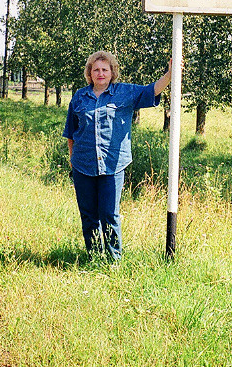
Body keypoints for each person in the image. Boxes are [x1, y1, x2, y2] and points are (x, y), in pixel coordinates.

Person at [63, 51, 173, 260]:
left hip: (112, 165)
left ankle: (114, 259)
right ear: (89, 73)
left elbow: (151, 91)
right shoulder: (79, 96)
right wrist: (72, 160)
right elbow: (71, 131)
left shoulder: (124, 93)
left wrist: (170, 74)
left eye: (105, 69)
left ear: (112, 72)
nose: (100, 73)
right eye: (96, 69)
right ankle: (94, 257)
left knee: (109, 214)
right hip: (82, 165)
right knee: (88, 215)